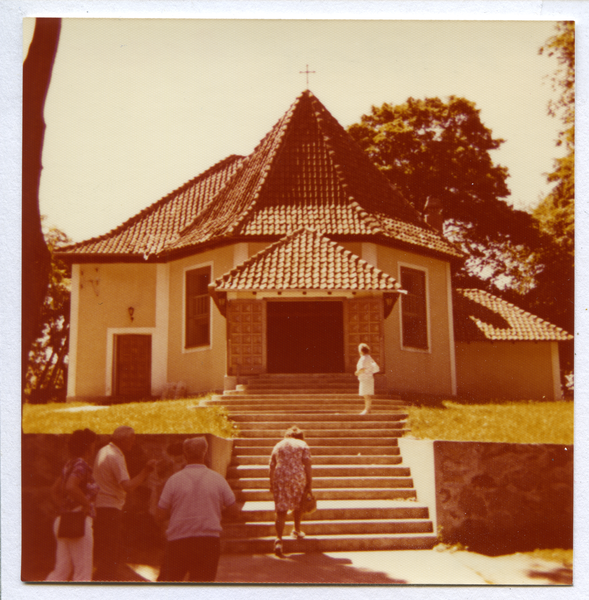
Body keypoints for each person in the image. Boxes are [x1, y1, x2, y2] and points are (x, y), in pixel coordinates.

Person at [155, 437, 240, 582]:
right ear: (205, 454)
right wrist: (215, 512)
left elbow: (160, 514)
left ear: (185, 455)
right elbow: (235, 511)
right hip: (208, 542)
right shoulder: (218, 479)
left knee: (166, 587)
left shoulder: (174, 480)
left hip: (178, 542)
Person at [92, 425, 157, 581]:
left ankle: (102, 582)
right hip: (110, 508)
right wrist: (145, 471)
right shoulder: (115, 455)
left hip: (101, 507)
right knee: (112, 553)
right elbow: (127, 486)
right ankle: (106, 585)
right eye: (132, 440)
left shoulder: (104, 451)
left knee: (108, 552)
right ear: (123, 440)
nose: (133, 444)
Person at [46, 428, 99, 581]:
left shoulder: (69, 465)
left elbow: (54, 490)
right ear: (88, 446)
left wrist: (64, 508)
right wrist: (87, 504)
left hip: (64, 520)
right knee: (83, 574)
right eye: (94, 444)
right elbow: (71, 486)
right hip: (79, 521)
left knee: (61, 571)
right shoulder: (81, 465)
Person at [269, 425, 313, 557]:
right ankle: (296, 530)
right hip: (297, 476)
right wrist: (309, 483)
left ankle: (278, 539)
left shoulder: (278, 444)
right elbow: (308, 464)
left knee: (281, 510)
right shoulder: (303, 444)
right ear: (300, 436)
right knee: (298, 504)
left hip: (280, 477)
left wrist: (271, 482)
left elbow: (272, 464)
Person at [355, 343, 380, 415]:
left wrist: (357, 372)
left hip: (365, 378)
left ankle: (367, 409)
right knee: (367, 394)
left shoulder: (363, 358)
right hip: (370, 378)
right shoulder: (369, 357)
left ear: (361, 351)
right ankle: (368, 409)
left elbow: (362, 368)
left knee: (366, 395)